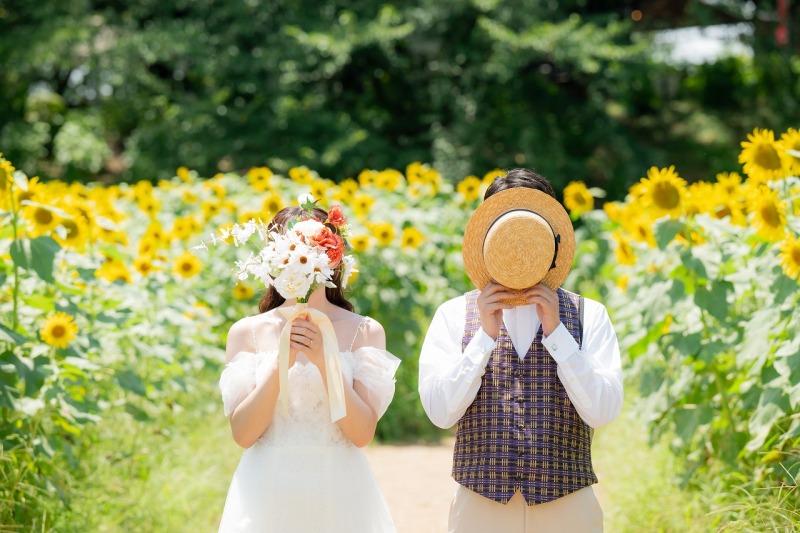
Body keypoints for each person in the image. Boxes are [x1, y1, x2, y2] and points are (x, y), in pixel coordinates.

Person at [418, 168, 623, 532]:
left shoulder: (589, 314)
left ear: (553, 240)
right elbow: (440, 413)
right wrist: (483, 338)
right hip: (481, 506)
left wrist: (559, 335)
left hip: (567, 505)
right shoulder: (454, 314)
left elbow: (603, 411)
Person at [217, 205, 400, 532]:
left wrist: (325, 361)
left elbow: (362, 435)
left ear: (333, 256)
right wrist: (281, 362)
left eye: (314, 249)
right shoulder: (247, 332)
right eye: (289, 251)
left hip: (340, 497)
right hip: (265, 498)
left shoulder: (365, 331)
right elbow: (243, 435)